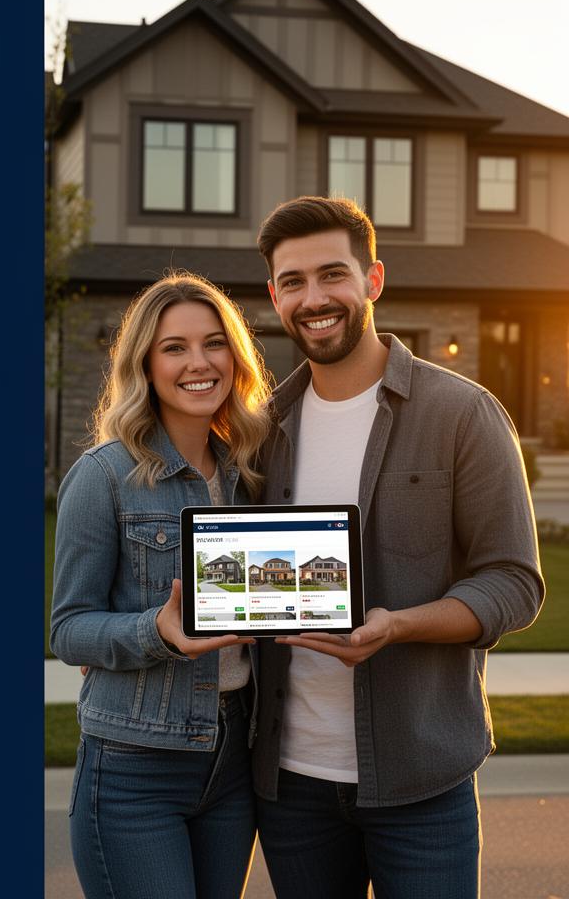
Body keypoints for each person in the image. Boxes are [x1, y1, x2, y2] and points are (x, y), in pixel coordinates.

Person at [251, 195, 545, 899]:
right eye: (293, 282)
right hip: (291, 789)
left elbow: (514, 582)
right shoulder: (260, 430)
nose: (314, 299)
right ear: (274, 296)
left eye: (333, 275)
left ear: (373, 281)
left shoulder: (461, 414)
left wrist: (398, 626)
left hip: (422, 782)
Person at [50, 270, 272, 899]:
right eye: (174, 347)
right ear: (145, 364)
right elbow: (68, 630)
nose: (198, 363)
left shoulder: (247, 475)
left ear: (236, 356)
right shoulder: (105, 475)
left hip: (232, 759)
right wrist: (160, 632)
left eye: (214, 343)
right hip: (133, 766)